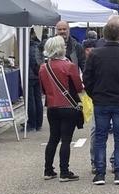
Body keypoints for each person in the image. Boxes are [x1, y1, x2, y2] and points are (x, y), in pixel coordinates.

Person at [84, 20, 119, 186]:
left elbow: (87, 78)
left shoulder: (94, 55)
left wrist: (93, 94)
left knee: (100, 136)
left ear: (104, 35)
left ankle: (100, 173)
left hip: (101, 100)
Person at [38, 36, 82, 182]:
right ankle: (64, 171)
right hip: (68, 106)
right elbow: (78, 86)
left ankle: (48, 170)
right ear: (59, 48)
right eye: (63, 46)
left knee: (53, 138)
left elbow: (43, 89)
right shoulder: (69, 66)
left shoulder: (44, 67)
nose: (65, 47)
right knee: (66, 140)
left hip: (52, 106)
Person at [27, 29, 44, 132]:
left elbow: (33, 62)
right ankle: (38, 123)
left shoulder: (29, 47)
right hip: (38, 75)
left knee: (31, 100)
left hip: (31, 75)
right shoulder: (39, 45)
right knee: (38, 99)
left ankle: (32, 123)